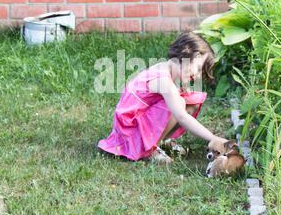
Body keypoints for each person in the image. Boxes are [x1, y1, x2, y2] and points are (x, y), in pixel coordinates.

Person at [98, 32, 229, 164]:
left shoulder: (167, 68)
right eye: (199, 69)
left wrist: (182, 86)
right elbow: (181, 116)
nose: (198, 76)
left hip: (136, 121)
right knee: (176, 104)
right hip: (130, 131)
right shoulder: (163, 81)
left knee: (189, 99)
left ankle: (160, 140)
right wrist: (213, 138)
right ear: (187, 55)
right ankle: (148, 150)